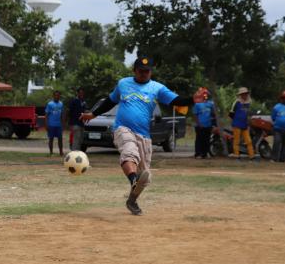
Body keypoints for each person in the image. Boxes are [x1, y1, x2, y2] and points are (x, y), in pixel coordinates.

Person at [80, 56, 206, 216]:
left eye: (147, 71)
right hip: (122, 129)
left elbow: (176, 100)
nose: (144, 74)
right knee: (129, 152)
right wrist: (93, 114)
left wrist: (192, 100)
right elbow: (110, 102)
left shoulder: (157, 88)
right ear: (135, 70)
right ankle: (133, 180)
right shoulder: (123, 84)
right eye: (141, 71)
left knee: (144, 177)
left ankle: (132, 200)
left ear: (151, 72)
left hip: (144, 136)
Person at [229, 87, 255, 160]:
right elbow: (231, 113)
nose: (245, 95)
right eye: (243, 94)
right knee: (236, 141)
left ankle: (252, 156)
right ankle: (236, 156)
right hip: (237, 124)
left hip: (245, 125)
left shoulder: (248, 103)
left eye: (246, 94)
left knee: (248, 141)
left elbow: (249, 113)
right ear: (240, 95)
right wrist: (235, 120)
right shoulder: (237, 102)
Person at [193, 89, 216, 158]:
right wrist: (199, 124)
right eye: (204, 95)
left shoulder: (210, 104)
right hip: (199, 126)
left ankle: (204, 153)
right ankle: (198, 153)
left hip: (208, 125)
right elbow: (195, 115)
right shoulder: (197, 104)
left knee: (206, 140)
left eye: (207, 95)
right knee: (199, 139)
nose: (206, 96)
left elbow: (214, 113)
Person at [45, 90, 64, 156]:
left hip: (59, 125)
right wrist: (46, 124)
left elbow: (62, 114)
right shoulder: (50, 104)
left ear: (60, 96)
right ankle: (51, 152)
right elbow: (46, 115)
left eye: (58, 95)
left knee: (60, 139)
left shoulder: (61, 104)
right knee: (51, 138)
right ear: (53, 96)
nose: (57, 96)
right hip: (51, 124)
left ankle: (61, 152)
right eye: (55, 95)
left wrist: (62, 124)